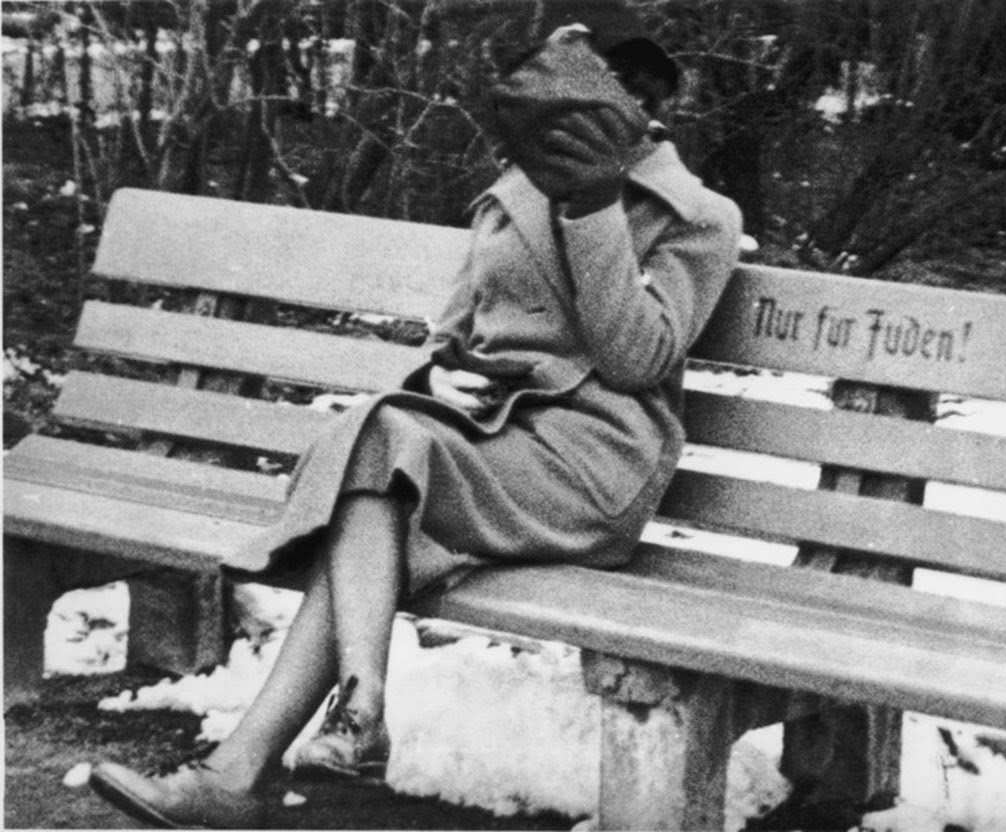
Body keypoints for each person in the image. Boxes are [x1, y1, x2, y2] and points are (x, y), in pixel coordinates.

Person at [89, 1, 742, 827]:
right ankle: (297, 745)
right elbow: (455, 330)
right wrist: (439, 378)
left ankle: (277, 756)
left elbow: (638, 359)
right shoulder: (512, 191)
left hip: (591, 461)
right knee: (382, 455)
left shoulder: (700, 218)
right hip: (486, 437)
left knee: (377, 464)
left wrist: (596, 209)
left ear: (643, 105)